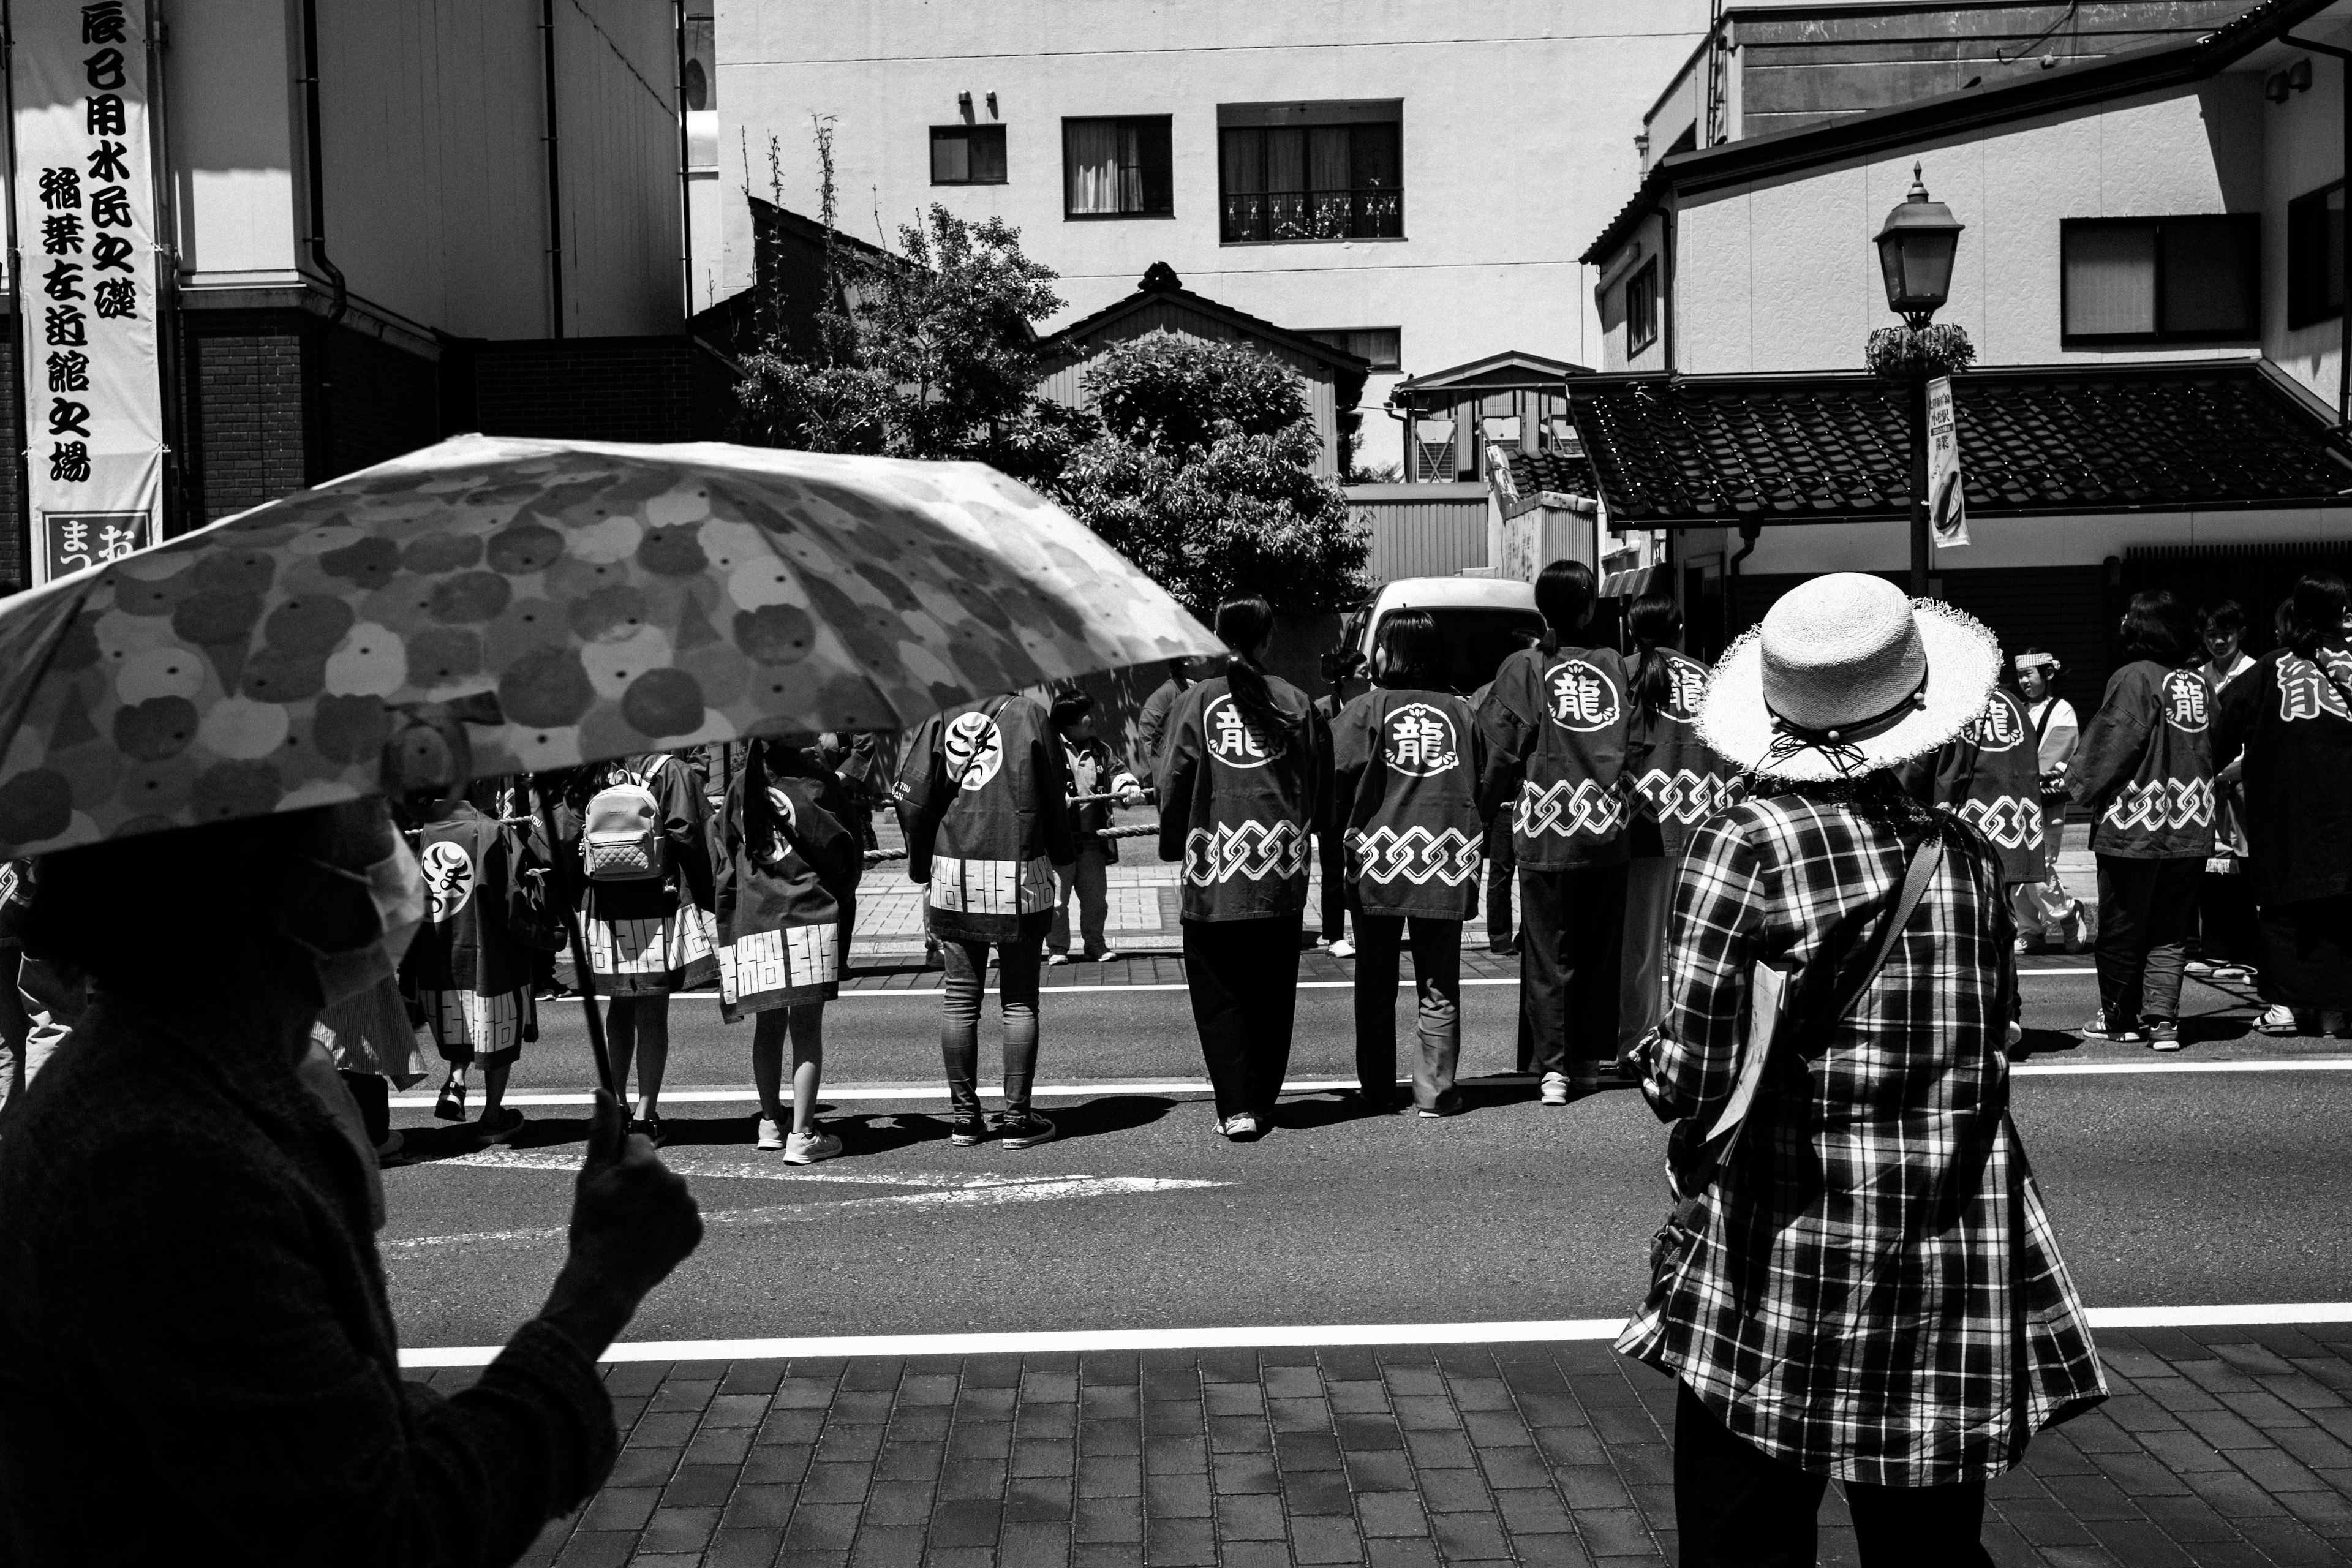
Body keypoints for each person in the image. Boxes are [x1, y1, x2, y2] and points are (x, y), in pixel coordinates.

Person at [0, 799, 704, 1565]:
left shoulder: (216, 1080)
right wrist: (596, 1293)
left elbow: (328, 1417)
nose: (385, 857)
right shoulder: (161, 1164)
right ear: (264, 885)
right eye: (351, 826)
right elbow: (388, 1532)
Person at [1618, 573, 2105, 1567]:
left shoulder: (1746, 844)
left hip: (1786, 1265)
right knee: (1925, 1554)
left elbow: (1690, 1081)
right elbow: (1988, 1040)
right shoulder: (1963, 855)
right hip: (1947, 1272)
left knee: (1742, 1540)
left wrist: (1660, 1055)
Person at [1160, 596, 1331, 1140]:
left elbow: (1173, 782)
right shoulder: (1297, 701)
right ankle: (1263, 1098)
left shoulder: (1197, 702)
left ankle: (1236, 1107)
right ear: (1267, 639)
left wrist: (1172, 844)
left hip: (1214, 871)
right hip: (1280, 871)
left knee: (1219, 995)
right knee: (1273, 992)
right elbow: (1318, 782)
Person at [1477, 560, 1638, 1104]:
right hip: (1609, 829)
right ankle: (1589, 1061)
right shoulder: (1614, 665)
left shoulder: (1524, 667)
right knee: (1598, 951)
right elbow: (1635, 741)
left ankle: (1553, 1070)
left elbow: (1498, 750)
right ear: (1590, 608)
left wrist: (1480, 813)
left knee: (1549, 953)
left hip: (1545, 828)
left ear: (1542, 607)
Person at [895, 690, 1073, 1148]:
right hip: (1019, 869)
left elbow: (912, 797)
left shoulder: (939, 715)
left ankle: (964, 1119)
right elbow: (1054, 793)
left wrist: (921, 865)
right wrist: (1063, 856)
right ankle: (1016, 1119)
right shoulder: (1031, 714)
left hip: (955, 870)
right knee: (1019, 1001)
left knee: (959, 1000)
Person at [1332, 610, 1486, 1117]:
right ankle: (1436, 1093)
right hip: (1444, 859)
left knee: (1375, 981)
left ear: (1392, 652)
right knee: (1439, 981)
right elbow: (1482, 776)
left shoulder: (1364, 709)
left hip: (1378, 859)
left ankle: (1377, 1089)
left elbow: (1332, 771)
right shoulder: (1461, 713)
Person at [2068, 591, 2216, 1048]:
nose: (2124, 622)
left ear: (2146, 627)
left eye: (2131, 616)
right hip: (2192, 820)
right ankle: (2164, 1021)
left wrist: (2072, 788)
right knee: (2171, 926)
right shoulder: (2198, 683)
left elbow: (2112, 743)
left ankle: (2120, 1018)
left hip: (2135, 824)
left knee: (2122, 925)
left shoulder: (2134, 677)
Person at [714, 739, 862, 1163]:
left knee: (769, 1025)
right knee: (807, 1030)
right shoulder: (812, 782)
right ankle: (804, 1133)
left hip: (755, 914)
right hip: (805, 912)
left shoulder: (741, 784)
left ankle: (770, 1122)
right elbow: (841, 847)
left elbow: (724, 846)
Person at [567, 750, 718, 1145]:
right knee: (652, 1011)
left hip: (603, 900)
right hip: (657, 897)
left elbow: (567, 826)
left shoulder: (593, 761)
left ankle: (615, 1108)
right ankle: (645, 1117)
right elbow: (689, 834)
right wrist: (710, 896)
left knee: (619, 1006)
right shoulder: (670, 770)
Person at [1618, 588, 1740, 1051]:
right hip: (1705, 825)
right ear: (1680, 629)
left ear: (1631, 629)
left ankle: (1637, 1038)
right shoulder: (1710, 679)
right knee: (1693, 943)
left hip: (1642, 824)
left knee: (1640, 946)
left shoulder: (1622, 675)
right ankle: (1691, 1039)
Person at [404, 791, 565, 1140]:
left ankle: (456, 1082)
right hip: (492, 956)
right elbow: (513, 899)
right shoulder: (493, 832)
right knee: (497, 1032)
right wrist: (548, 932)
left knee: (460, 1021)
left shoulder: (425, 832)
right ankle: (492, 1117)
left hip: (439, 954)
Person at [2239, 572, 2352, 1039]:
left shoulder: (2271, 667)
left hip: (2284, 814)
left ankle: (2285, 1007)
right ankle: (2333, 1012)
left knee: (2285, 911)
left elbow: (2222, 726)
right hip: (2346, 815)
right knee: (2341, 911)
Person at [1047, 690, 1141, 965]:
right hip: (1058, 843)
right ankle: (1057, 948)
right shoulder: (1048, 747)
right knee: (1055, 903)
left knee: (1095, 900)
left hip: (1092, 842)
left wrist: (1128, 788)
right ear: (1069, 722)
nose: (1093, 719)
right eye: (1087, 714)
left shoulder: (1101, 750)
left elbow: (1118, 774)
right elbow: (1034, 780)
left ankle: (1095, 944)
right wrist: (1053, 795)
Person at [2194, 601, 2261, 981]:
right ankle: (2215, 949)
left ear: (2240, 633)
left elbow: (2260, 737)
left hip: (2242, 783)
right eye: (2210, 634)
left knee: (2245, 865)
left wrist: (2235, 771)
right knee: (2211, 864)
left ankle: (2246, 951)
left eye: (2226, 633)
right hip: (2205, 785)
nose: (2218, 641)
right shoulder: (2197, 678)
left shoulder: (2256, 673)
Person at [2014, 649, 2089, 952]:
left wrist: (2018, 777)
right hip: (2017, 800)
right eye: (2020, 676)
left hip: (2044, 800)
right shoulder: (2018, 708)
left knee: (2038, 869)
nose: (2023, 682)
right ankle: (2030, 930)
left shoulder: (2062, 710)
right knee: (2016, 871)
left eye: (2029, 675)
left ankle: (2069, 914)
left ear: (2047, 674)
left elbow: (2057, 753)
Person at [1315, 646, 1371, 958]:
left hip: (1365, 799)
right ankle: (1334, 935)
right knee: (1334, 869)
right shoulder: (1322, 709)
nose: (1371, 678)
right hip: (1334, 802)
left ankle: (1363, 928)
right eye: (1364, 673)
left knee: (1364, 868)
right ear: (1346, 679)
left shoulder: (1371, 706)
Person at [1136, 656, 1205, 790]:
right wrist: (1160, 779)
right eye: (1201, 650)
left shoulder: (1204, 688)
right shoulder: (1166, 695)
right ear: (1186, 659)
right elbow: (1148, 738)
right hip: (1175, 781)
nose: (1210, 655)